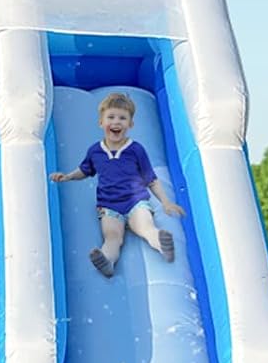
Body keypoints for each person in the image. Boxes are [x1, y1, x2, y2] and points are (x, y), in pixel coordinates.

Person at [49, 91, 186, 278]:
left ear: (130, 124)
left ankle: (162, 244)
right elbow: (84, 170)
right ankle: (107, 261)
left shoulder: (136, 150)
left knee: (144, 227)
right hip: (109, 205)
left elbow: (151, 179)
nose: (116, 122)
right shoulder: (95, 151)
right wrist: (67, 177)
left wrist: (166, 202)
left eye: (122, 118)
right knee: (112, 237)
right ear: (101, 122)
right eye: (111, 117)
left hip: (136, 202)